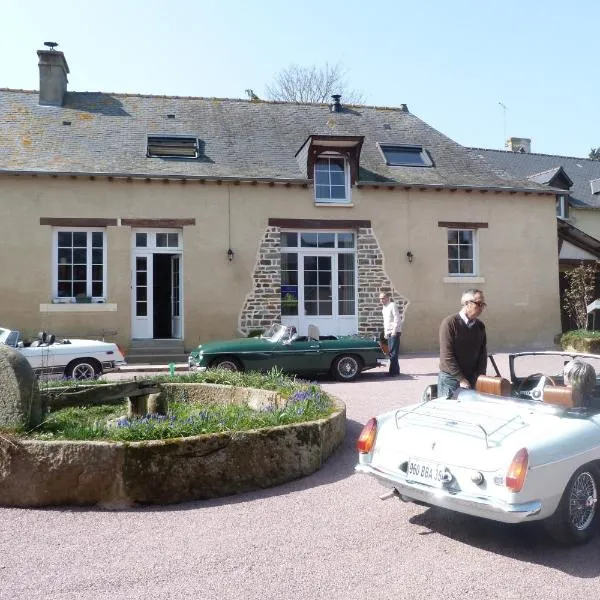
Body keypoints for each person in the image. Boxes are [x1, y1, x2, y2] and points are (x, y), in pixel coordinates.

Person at [438, 288, 487, 398]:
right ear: (467, 304)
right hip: (451, 379)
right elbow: (447, 356)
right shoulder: (450, 323)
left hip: (472, 378)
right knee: (448, 412)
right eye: (479, 303)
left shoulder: (480, 326)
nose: (481, 308)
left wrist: (480, 377)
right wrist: (461, 378)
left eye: (483, 304)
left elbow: (482, 354)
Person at [379, 291, 402, 377]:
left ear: (387, 298)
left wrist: (394, 331)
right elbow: (386, 322)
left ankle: (392, 372)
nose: (381, 300)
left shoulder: (392, 305)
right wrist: (385, 333)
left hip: (394, 332)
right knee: (392, 353)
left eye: (383, 298)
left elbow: (397, 319)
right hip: (388, 332)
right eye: (380, 298)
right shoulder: (384, 308)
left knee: (393, 353)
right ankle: (396, 371)